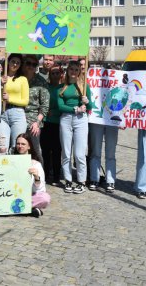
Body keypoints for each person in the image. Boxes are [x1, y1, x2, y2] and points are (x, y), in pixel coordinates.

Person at [58, 60, 93, 194]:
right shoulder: (62, 87)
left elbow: (89, 107)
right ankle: (68, 179)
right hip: (66, 119)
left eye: (76, 70)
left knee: (79, 154)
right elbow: (60, 106)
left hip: (80, 120)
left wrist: (87, 102)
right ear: (68, 71)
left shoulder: (85, 87)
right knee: (66, 152)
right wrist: (75, 109)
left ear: (80, 72)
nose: (73, 72)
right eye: (71, 69)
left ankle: (81, 181)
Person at [0, 54, 29, 155]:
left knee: (17, 147)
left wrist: (10, 99)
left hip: (17, 114)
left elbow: (25, 101)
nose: (15, 64)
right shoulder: (0, 78)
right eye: (13, 61)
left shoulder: (23, 79)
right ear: (7, 62)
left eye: (18, 63)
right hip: (2, 113)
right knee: (1, 147)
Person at [14, 133, 51, 217]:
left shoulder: (36, 164)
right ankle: (29, 210)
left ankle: (20, 208)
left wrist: (36, 177)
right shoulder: (11, 161)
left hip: (29, 196)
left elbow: (40, 189)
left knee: (45, 198)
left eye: (23, 144)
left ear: (29, 146)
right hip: (13, 195)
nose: (20, 146)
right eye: (18, 144)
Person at [21, 54, 48, 165]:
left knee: (36, 150)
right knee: (18, 147)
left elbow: (44, 106)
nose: (31, 66)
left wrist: (37, 123)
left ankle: (39, 176)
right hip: (18, 117)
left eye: (34, 64)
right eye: (28, 63)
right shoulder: (17, 78)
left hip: (33, 121)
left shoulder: (41, 81)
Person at [41, 66, 63, 185]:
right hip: (45, 122)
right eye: (52, 73)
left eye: (57, 73)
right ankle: (44, 174)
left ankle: (56, 176)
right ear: (49, 75)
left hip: (58, 123)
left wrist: (54, 112)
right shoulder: (46, 87)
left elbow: (65, 105)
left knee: (56, 151)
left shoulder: (63, 88)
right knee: (45, 150)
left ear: (61, 74)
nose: (55, 75)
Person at [88, 122, 119, 193]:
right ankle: (94, 179)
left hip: (112, 120)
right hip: (97, 119)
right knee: (95, 151)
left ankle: (111, 180)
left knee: (111, 153)